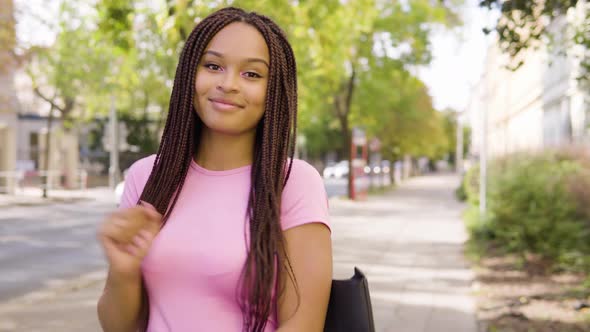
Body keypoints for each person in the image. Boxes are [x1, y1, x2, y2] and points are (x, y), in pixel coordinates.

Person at [96, 6, 333, 332]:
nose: (228, 83)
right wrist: (123, 271)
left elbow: (303, 324)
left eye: (252, 74)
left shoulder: (294, 182)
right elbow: (118, 326)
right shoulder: (147, 176)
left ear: (273, 90)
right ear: (189, 75)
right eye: (213, 66)